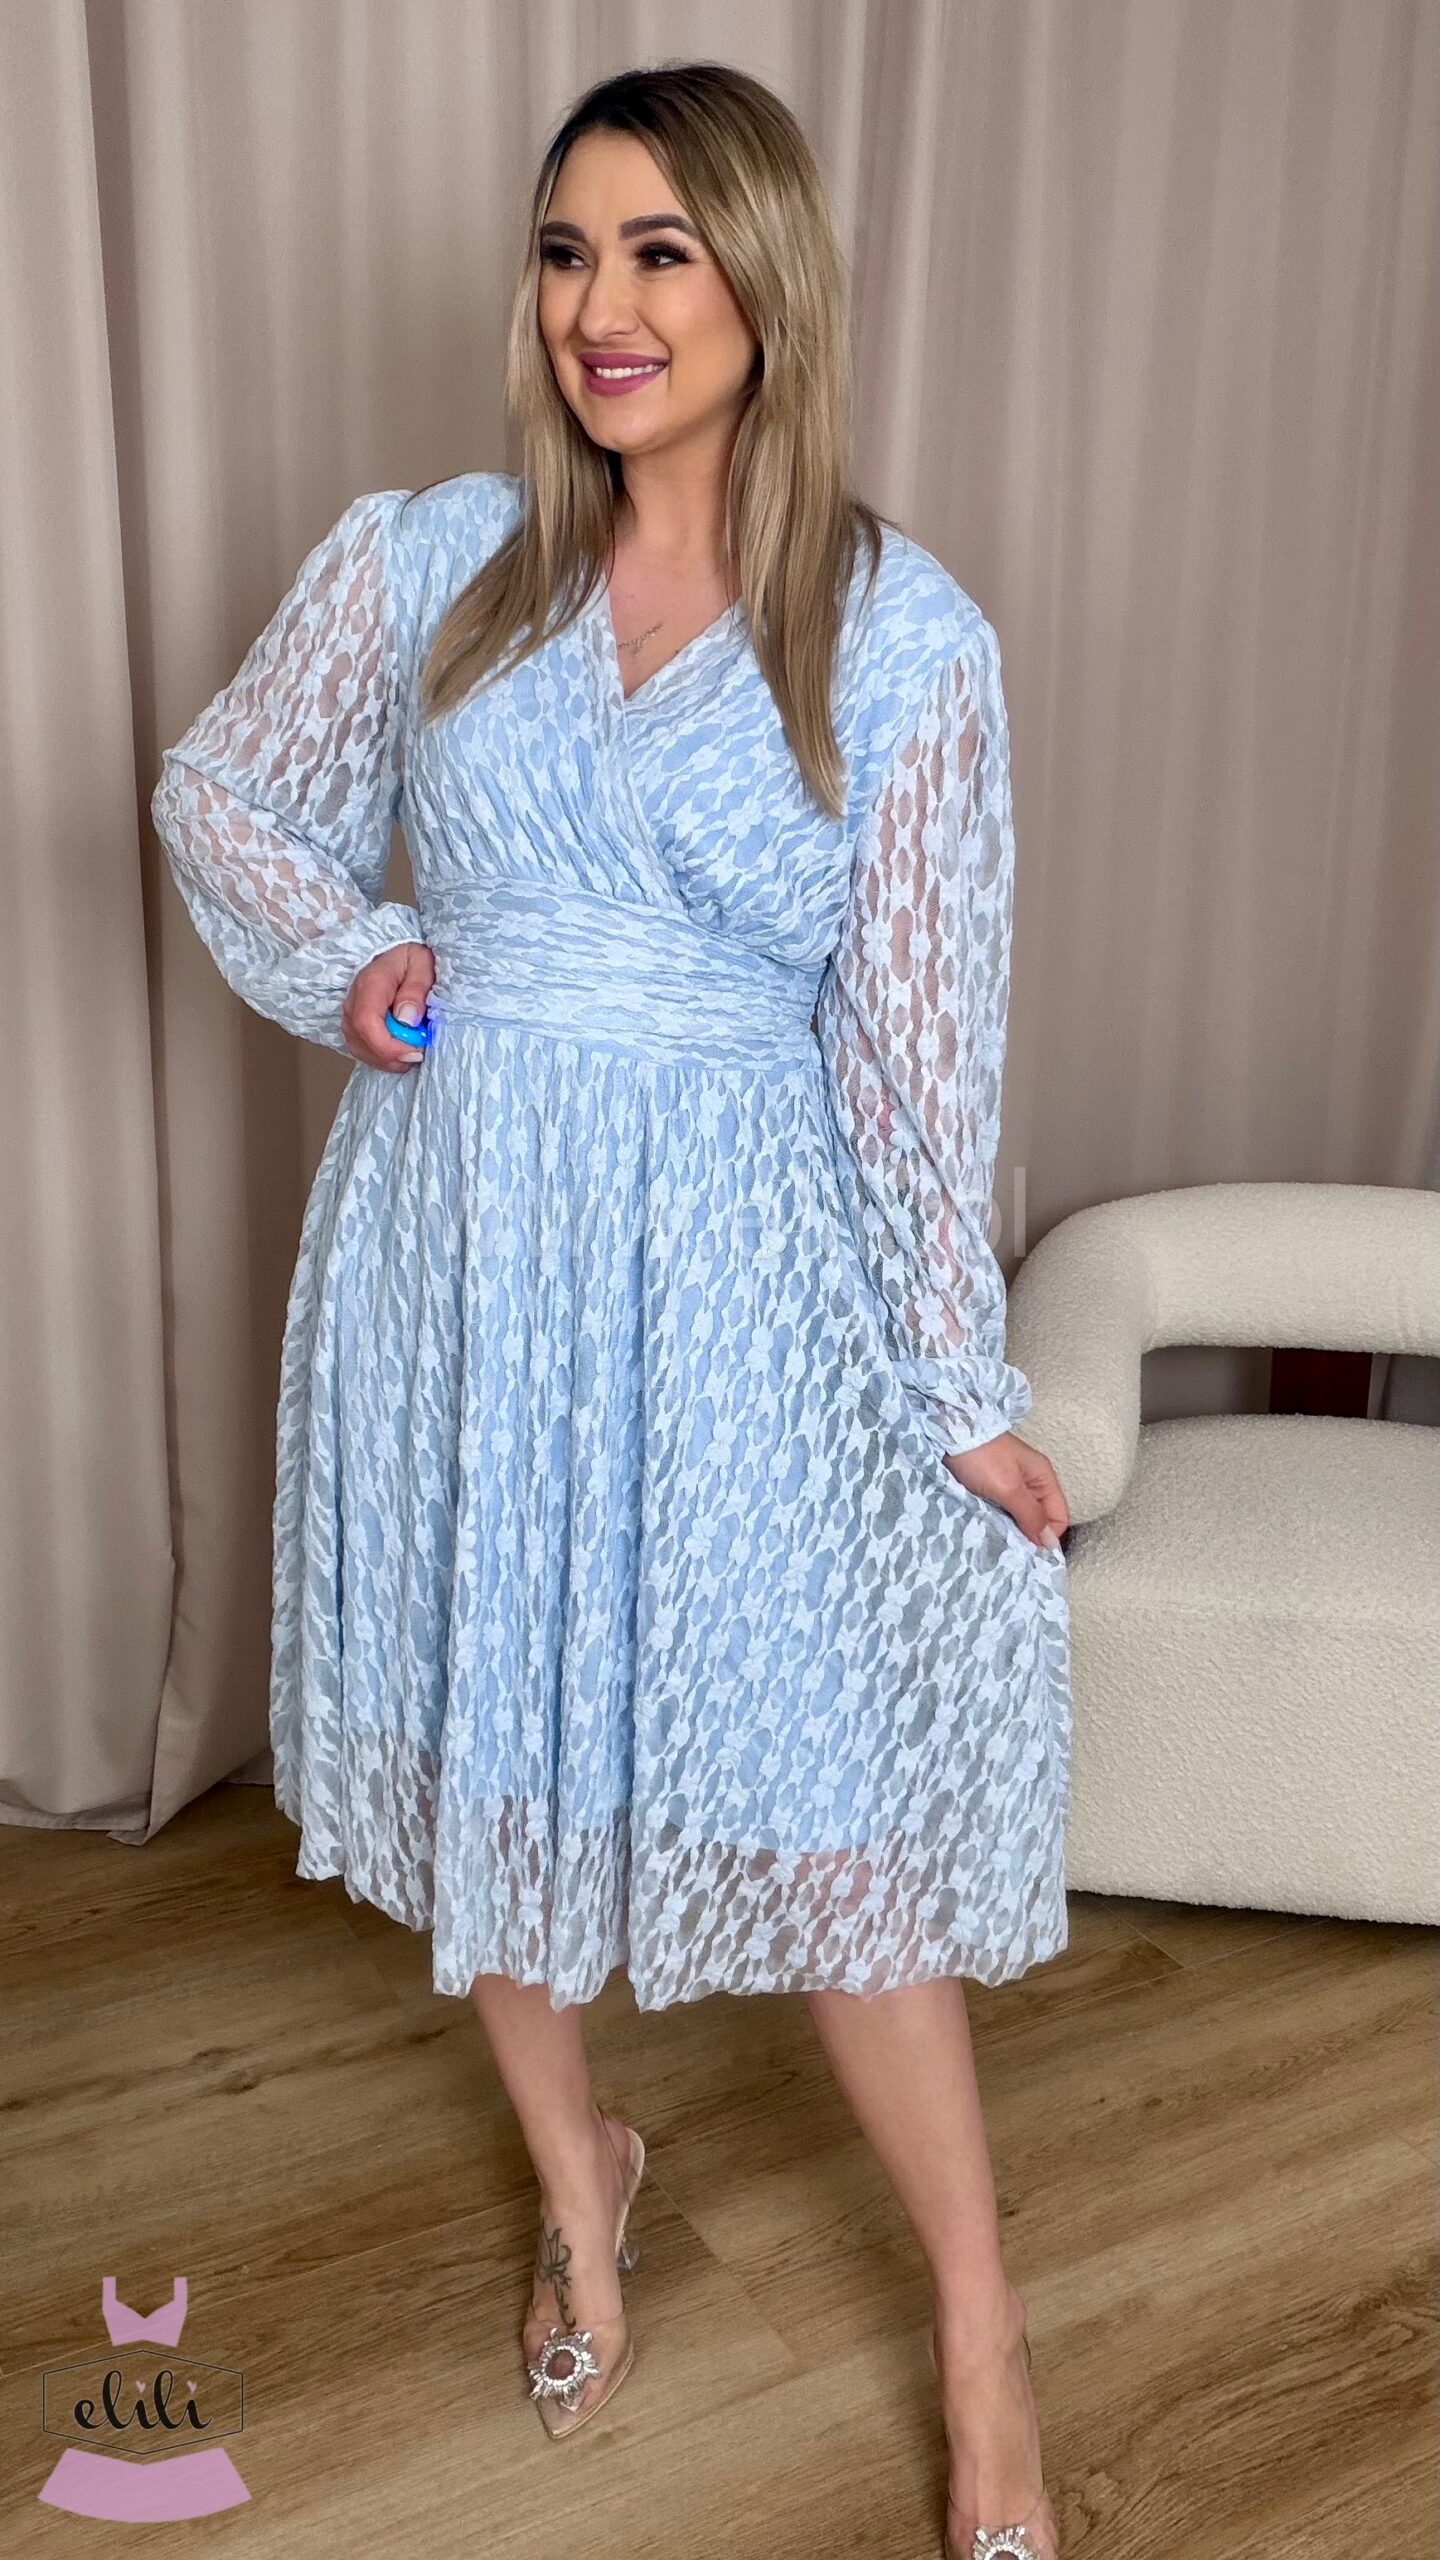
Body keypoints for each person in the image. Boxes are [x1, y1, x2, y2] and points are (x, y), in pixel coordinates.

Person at [151, 57, 1072, 2560]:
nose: (603, 304)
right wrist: (364, 963)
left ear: (767, 280)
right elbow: (221, 793)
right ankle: (586, 2178)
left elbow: (914, 1057)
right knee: (501, 1746)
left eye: (662, 248)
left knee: (835, 1808)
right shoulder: (436, 562)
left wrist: (957, 1389)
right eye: (567, 249)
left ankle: (981, 2333)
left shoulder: (900, 635)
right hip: (460, 1249)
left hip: (741, 1271)